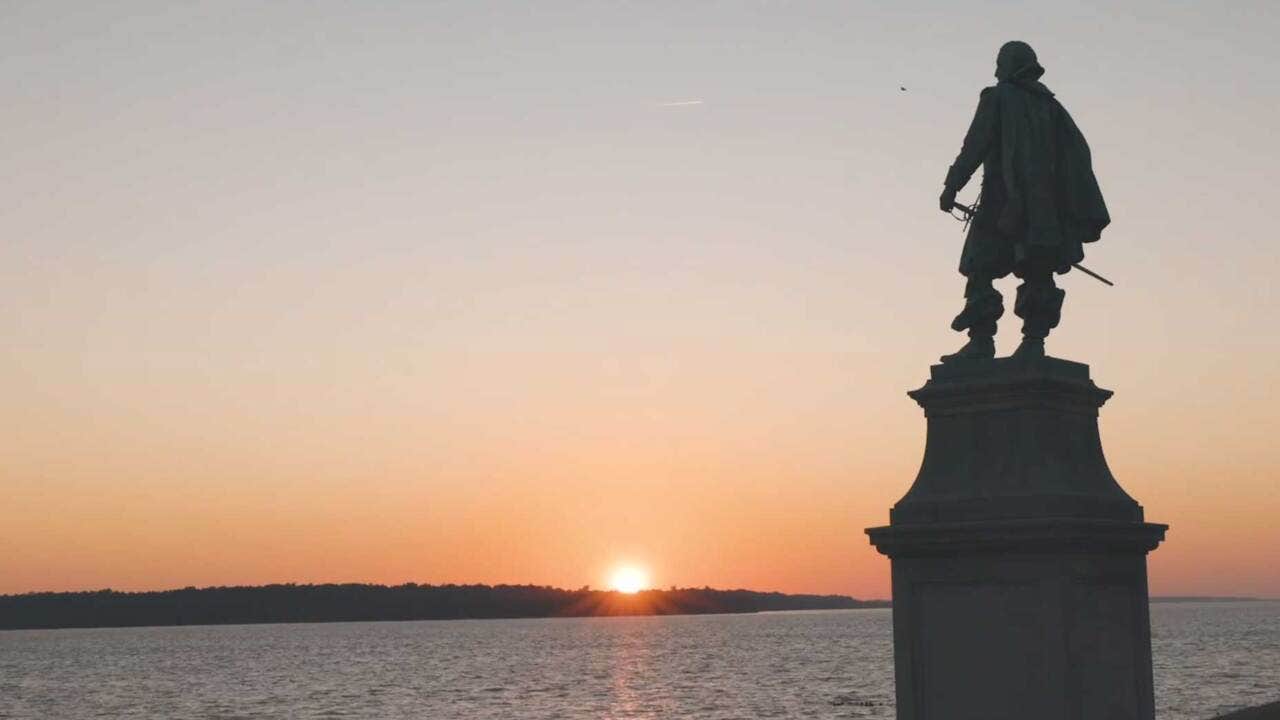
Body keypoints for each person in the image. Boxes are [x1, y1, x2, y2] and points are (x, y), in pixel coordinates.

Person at [938, 41, 1110, 362]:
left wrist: (952, 186)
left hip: (1000, 203)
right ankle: (1033, 341)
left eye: (999, 62)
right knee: (1038, 271)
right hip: (1043, 211)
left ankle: (982, 341)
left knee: (980, 266)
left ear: (1008, 65)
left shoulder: (998, 98)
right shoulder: (1053, 109)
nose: (995, 70)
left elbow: (974, 146)